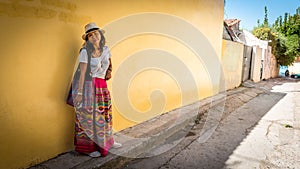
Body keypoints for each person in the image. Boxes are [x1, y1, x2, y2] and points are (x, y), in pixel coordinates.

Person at [73, 22, 121, 158]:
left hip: (102, 86)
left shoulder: (106, 50)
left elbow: (109, 65)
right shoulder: (84, 52)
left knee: (105, 114)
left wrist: (108, 73)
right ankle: (88, 148)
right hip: (89, 86)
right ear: (87, 39)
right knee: (89, 117)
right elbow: (82, 73)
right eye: (90, 35)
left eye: (96, 33)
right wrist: (80, 93)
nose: (94, 36)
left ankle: (108, 142)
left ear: (100, 35)